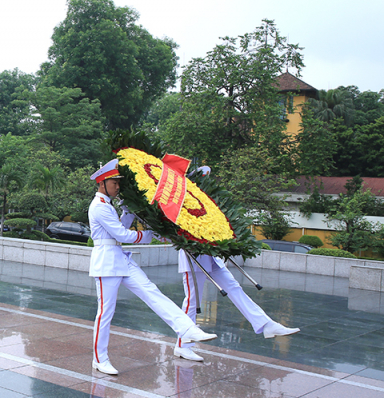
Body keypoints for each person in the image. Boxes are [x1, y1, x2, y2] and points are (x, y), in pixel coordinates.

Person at [88, 159, 217, 376]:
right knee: (105, 313)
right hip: (106, 263)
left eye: (118, 183)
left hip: (120, 258)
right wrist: (149, 235)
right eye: (114, 183)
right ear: (102, 183)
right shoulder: (98, 207)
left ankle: (187, 329)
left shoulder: (108, 205)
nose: (118, 187)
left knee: (152, 292)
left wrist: (130, 211)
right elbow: (121, 234)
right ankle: (100, 360)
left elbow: (121, 227)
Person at [173, 168, 299, 361]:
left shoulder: (206, 202)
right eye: (201, 181)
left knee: (233, 287)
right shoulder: (181, 202)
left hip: (211, 254)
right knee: (192, 300)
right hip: (194, 257)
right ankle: (183, 344)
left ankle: (266, 324)